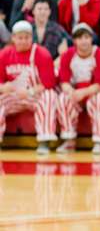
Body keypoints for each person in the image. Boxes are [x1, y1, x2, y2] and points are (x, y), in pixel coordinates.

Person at [0, 21, 58, 154]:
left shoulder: (42, 54)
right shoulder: (4, 54)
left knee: (49, 96)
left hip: (35, 94)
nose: (24, 41)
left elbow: (48, 83)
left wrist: (29, 91)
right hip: (13, 95)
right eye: (20, 38)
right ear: (13, 38)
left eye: (27, 37)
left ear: (32, 38)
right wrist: (3, 88)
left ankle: (44, 141)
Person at [55, 22, 100, 154]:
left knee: (98, 101)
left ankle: (98, 141)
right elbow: (64, 81)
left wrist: (83, 92)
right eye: (79, 38)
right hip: (75, 91)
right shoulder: (68, 55)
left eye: (86, 37)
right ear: (74, 40)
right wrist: (71, 92)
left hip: (93, 91)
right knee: (63, 99)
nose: (83, 41)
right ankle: (69, 140)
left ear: (91, 38)